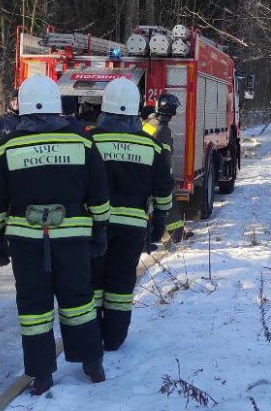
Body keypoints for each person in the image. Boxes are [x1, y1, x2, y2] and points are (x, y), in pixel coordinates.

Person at [0, 75, 111, 396]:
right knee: (79, 300)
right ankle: (92, 362)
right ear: (58, 106)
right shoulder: (82, 142)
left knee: (34, 308)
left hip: (26, 243)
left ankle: (41, 375)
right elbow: (99, 192)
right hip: (73, 240)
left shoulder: (7, 148)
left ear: (22, 108)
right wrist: (100, 229)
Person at [88, 79, 173, 351]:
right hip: (132, 227)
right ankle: (114, 338)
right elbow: (163, 189)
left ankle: (92, 334)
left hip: (94, 226)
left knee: (94, 280)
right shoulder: (151, 147)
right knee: (122, 282)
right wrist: (160, 221)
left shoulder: (89, 141)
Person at [143, 93, 190, 243]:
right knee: (169, 199)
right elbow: (165, 157)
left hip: (143, 169)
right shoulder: (163, 130)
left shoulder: (149, 122)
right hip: (155, 172)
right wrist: (167, 177)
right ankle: (177, 234)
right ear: (171, 112)